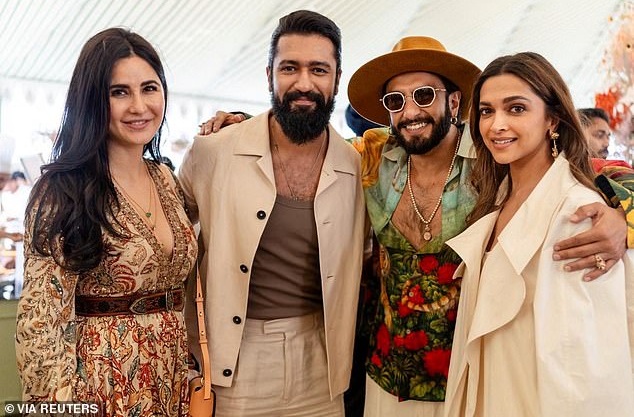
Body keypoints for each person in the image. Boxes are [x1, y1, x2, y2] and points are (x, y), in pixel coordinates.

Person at [201, 36, 633, 416]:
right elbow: (305, 142)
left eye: (425, 95)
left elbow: (595, 173)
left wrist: (622, 221)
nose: (411, 112)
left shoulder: (493, 159)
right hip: (386, 374)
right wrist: (243, 122)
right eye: (396, 101)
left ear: (454, 101)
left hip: (473, 369)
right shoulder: (368, 160)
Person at [179, 10, 366, 416]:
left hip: (324, 360)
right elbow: (169, 237)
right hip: (236, 359)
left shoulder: (355, 166)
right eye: (289, 68)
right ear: (269, 76)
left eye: (318, 69)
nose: (304, 84)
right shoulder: (215, 151)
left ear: (335, 78)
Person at [15, 28, 198, 415]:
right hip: (102, 387)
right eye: (119, 92)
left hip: (174, 380)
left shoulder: (164, 178)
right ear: (91, 100)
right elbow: (39, 327)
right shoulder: (61, 191)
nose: (139, 106)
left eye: (150, 88)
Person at [444, 52, 634, 417]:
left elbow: (584, 371)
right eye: (486, 111)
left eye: (516, 109)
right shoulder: (497, 200)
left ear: (553, 119)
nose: (496, 124)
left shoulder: (577, 214)